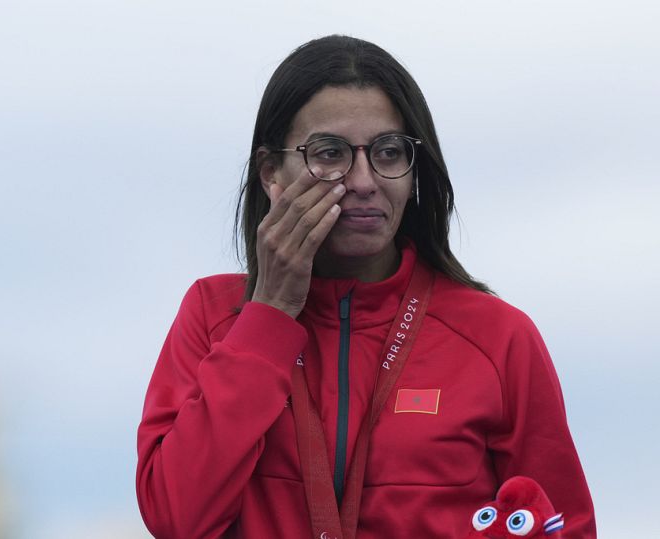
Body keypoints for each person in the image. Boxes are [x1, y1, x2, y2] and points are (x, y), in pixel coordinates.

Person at [136, 35, 596, 538]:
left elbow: (565, 526)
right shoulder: (214, 315)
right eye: (330, 152)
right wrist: (269, 313)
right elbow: (177, 518)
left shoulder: (497, 335)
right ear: (271, 173)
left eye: (388, 151)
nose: (362, 180)